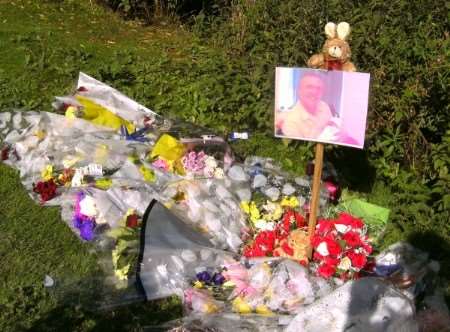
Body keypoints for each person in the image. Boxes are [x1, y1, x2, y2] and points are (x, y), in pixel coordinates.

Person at [275, 73, 335, 139]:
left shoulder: (324, 106)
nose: (315, 92)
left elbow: (332, 127)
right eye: (309, 87)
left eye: (319, 88)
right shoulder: (291, 123)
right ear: (299, 91)